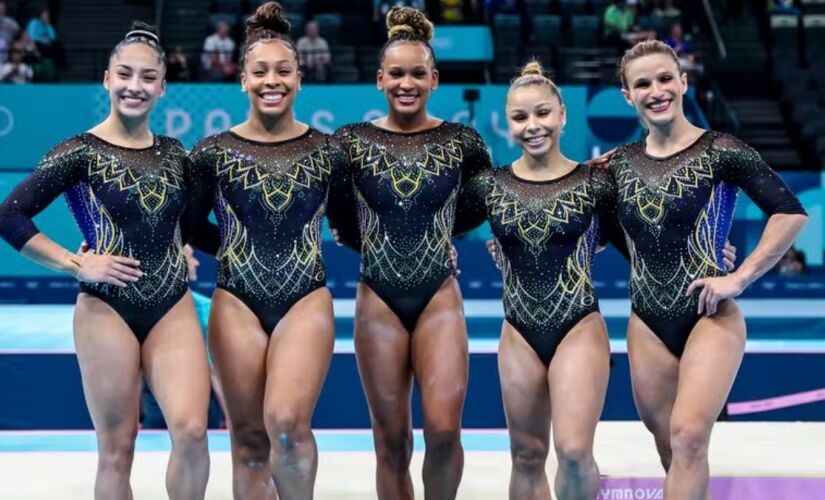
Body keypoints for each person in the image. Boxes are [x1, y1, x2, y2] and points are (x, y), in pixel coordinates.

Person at [0, 22, 212, 500]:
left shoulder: (179, 155)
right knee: (118, 449)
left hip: (171, 305)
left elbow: (197, 228)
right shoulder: (79, 152)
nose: (134, 86)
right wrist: (76, 265)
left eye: (146, 77)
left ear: (162, 85)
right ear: (106, 78)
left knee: (193, 432)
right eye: (125, 74)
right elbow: (10, 216)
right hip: (105, 308)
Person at [611, 40, 807, 498]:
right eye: (643, 84)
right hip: (647, 322)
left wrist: (739, 277)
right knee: (671, 449)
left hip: (711, 316)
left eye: (665, 78)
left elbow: (790, 212)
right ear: (628, 95)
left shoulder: (721, 151)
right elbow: (584, 226)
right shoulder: (617, 166)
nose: (656, 90)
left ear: (683, 81)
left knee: (689, 438)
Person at [187, 3, 352, 498]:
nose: (271, 80)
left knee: (286, 423)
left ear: (300, 79)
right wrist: (239, 249)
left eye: (283, 71)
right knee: (250, 440)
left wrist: (437, 248)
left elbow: (357, 222)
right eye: (260, 71)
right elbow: (190, 225)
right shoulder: (213, 152)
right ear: (243, 80)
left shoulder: (328, 152)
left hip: (305, 298)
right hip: (236, 299)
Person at [330, 7, 493, 499]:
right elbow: (335, 209)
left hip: (438, 294)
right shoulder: (351, 143)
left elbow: (484, 203)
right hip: (377, 297)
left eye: (418, 73)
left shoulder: (462, 142)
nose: (407, 83)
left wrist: (441, 232)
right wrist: (361, 238)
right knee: (392, 443)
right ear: (379, 79)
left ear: (435, 79)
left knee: (443, 433)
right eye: (396, 73)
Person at [460, 60, 628, 499]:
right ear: (508, 124)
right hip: (518, 331)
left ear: (562, 114)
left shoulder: (597, 182)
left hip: (578, 326)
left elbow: (642, 238)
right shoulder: (489, 186)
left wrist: (710, 254)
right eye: (520, 117)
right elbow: (433, 221)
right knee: (527, 455)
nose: (532, 126)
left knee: (572, 450)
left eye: (542, 113)